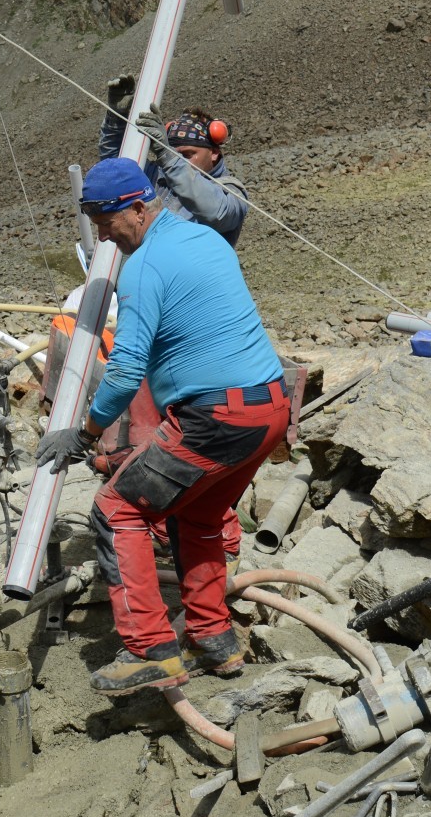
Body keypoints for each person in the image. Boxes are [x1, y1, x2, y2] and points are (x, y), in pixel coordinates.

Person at [36, 158, 290, 695]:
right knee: (197, 516)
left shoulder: (146, 266)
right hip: (269, 409)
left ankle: (149, 648)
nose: (104, 236)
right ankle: (214, 640)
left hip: (216, 417)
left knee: (116, 510)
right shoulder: (203, 239)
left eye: (107, 223)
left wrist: (84, 433)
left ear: (137, 207)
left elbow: (126, 368)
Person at [91, 78, 254, 577]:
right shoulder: (156, 185)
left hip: (196, 336)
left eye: (190, 152)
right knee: (149, 436)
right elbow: (114, 177)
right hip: (151, 324)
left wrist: (166, 156)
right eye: (174, 150)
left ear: (212, 154)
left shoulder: (227, 191)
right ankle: (160, 527)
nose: (181, 158)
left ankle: (216, 537)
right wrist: (117, 121)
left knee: (198, 448)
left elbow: (213, 209)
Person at [99, 75, 249, 246]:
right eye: (174, 154)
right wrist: (117, 117)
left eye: (187, 155)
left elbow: (216, 213)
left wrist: (167, 154)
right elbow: (116, 169)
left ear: (214, 152)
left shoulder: (231, 192)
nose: (178, 161)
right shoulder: (158, 177)